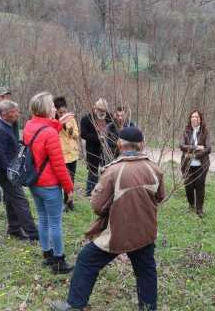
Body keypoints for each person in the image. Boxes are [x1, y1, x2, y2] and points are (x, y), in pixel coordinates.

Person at [49, 127, 165, 311]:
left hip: (118, 232)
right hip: (145, 231)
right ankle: (149, 308)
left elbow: (97, 206)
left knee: (87, 260)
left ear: (119, 144)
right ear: (141, 145)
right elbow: (159, 197)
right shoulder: (155, 169)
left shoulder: (112, 171)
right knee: (146, 271)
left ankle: (74, 305)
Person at [24, 92, 75, 274]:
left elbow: (44, 131)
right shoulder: (50, 134)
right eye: (52, 106)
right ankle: (59, 261)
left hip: (34, 182)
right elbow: (59, 165)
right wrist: (69, 188)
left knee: (43, 219)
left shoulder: (30, 125)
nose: (56, 109)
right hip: (49, 185)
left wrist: (58, 124)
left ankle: (47, 255)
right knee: (55, 223)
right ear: (46, 108)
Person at [0, 100, 39, 241]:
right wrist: (11, 173)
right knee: (21, 202)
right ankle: (33, 234)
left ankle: (14, 229)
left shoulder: (6, 126)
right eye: (14, 112)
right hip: (6, 174)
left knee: (11, 201)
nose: (17, 114)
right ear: (4, 114)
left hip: (9, 172)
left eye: (17, 111)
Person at [179, 110, 212, 217]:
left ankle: (199, 209)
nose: (194, 118)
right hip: (187, 164)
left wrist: (194, 155)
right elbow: (181, 146)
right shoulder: (186, 131)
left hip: (201, 165)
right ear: (190, 119)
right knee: (188, 186)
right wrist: (196, 147)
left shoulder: (205, 132)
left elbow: (208, 148)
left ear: (200, 119)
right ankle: (191, 205)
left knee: (200, 186)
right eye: (192, 116)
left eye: (196, 117)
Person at [80, 98, 113, 196]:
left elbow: (113, 130)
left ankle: (104, 192)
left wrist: (108, 138)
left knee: (106, 170)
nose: (102, 113)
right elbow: (83, 134)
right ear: (95, 108)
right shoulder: (87, 119)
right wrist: (98, 138)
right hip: (92, 149)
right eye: (100, 110)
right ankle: (90, 192)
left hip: (107, 149)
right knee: (93, 171)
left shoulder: (109, 118)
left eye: (104, 111)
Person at [54, 96, 80, 212]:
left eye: (64, 112)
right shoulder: (54, 121)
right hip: (61, 155)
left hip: (72, 154)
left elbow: (76, 134)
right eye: (60, 113)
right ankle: (61, 203)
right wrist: (60, 124)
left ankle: (69, 201)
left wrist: (69, 130)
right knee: (62, 180)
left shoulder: (71, 120)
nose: (63, 114)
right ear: (56, 111)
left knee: (71, 179)